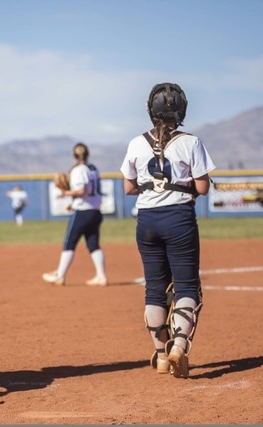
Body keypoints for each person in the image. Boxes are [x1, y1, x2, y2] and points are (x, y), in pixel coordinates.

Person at [120, 82, 215, 378]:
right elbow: (202, 187)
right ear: (182, 110)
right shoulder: (191, 142)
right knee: (186, 287)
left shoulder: (136, 143)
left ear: (151, 110)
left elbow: (128, 187)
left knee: (155, 290)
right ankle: (179, 347)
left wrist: (153, 189)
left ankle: (161, 355)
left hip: (147, 221)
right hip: (179, 219)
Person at [42, 142, 108, 287]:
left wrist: (66, 193)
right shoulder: (93, 168)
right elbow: (89, 192)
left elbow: (81, 191)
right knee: (93, 244)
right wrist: (73, 203)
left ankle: (60, 276)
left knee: (69, 243)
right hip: (95, 211)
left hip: (82, 212)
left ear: (74, 155)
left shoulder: (79, 170)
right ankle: (101, 276)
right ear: (87, 154)